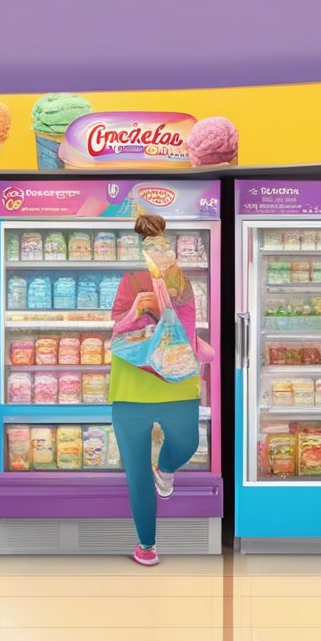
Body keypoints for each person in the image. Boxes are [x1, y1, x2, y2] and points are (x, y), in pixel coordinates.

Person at [108, 214, 203, 567]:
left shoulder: (183, 288)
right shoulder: (129, 282)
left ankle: (164, 468)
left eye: (162, 252)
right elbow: (117, 329)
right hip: (131, 385)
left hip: (176, 381)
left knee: (187, 444)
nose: (158, 260)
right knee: (136, 472)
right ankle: (146, 545)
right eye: (154, 251)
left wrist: (164, 300)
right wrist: (135, 310)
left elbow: (187, 322)